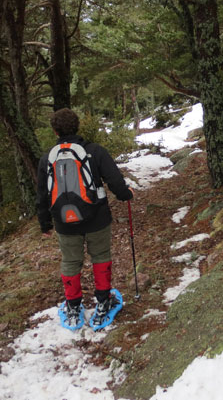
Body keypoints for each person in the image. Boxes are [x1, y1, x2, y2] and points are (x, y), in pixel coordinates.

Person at [36, 108, 134, 329]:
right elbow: (115, 180)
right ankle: (103, 302)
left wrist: (45, 223)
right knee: (100, 256)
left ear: (55, 131)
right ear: (78, 126)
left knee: (70, 261)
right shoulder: (95, 151)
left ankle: (72, 306)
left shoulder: (47, 159)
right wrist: (125, 195)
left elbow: (42, 194)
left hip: (63, 221)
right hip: (97, 216)